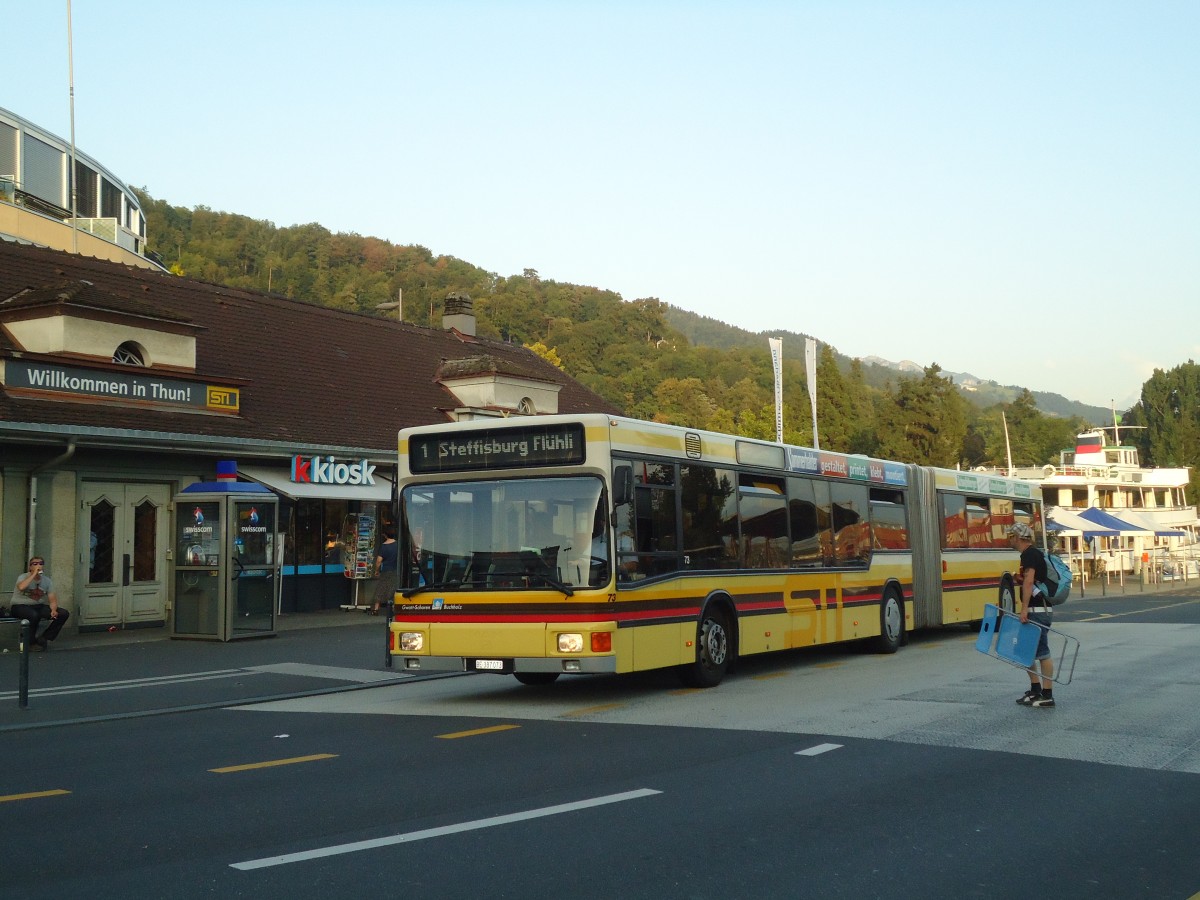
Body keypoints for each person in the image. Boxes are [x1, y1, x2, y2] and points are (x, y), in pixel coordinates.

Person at [1007, 523, 1055, 708]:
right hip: (1038, 609)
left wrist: (1024, 608)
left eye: (1011, 535)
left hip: (1038, 611)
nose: (1009, 539)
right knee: (1024, 651)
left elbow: (1028, 583)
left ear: (1017, 537)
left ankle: (1047, 694)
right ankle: (1036, 690)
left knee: (1042, 653)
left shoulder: (1030, 555)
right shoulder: (1030, 554)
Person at [10, 554, 70, 651]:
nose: (38, 566)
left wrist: (54, 610)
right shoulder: (23, 577)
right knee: (34, 615)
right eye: (35, 564)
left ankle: (44, 637)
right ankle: (30, 643)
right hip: (19, 606)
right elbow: (21, 587)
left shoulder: (47, 581)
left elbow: (52, 599)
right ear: (30, 566)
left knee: (63, 613)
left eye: (40, 564)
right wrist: (33, 574)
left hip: (38, 606)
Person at [371, 526, 399, 615]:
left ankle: (376, 609)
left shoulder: (383, 546)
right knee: (394, 588)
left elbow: (379, 561)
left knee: (381, 588)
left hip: (386, 570)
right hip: (395, 570)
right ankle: (394, 608)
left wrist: (376, 570)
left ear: (385, 535)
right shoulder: (398, 545)